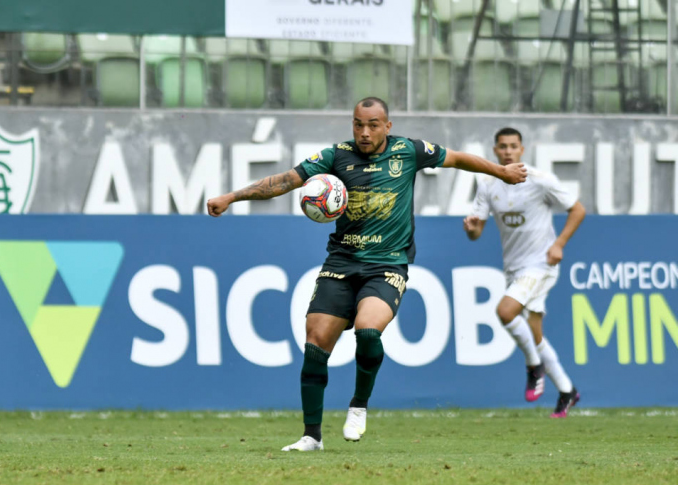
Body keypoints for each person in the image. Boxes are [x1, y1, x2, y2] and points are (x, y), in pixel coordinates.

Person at [208, 98, 527, 451]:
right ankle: (311, 436)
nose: (364, 132)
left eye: (373, 124)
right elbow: (286, 180)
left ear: (387, 126)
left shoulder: (409, 150)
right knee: (315, 342)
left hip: (387, 263)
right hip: (341, 262)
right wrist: (232, 197)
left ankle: (358, 406)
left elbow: (458, 158)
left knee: (368, 329)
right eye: (358, 124)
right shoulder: (335, 156)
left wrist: (502, 172)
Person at [463, 127, 586, 418]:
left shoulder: (540, 180)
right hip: (514, 268)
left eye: (513, 146)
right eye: (502, 147)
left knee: (506, 312)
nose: (508, 151)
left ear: (522, 149)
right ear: (495, 151)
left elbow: (577, 209)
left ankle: (533, 366)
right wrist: (471, 228)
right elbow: (476, 231)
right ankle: (568, 391)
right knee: (534, 332)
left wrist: (559, 244)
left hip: (541, 264)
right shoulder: (488, 183)